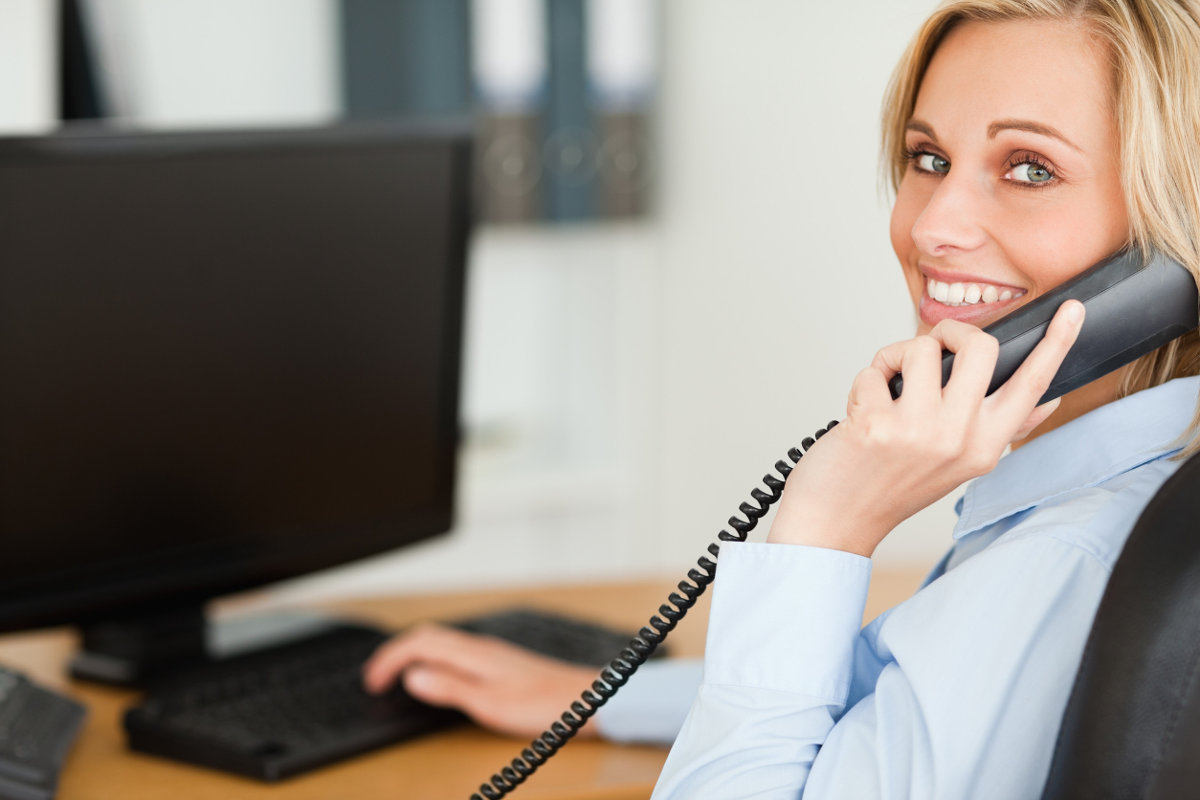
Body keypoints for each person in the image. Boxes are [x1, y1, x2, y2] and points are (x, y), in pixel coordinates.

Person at [363, 0, 1200, 796]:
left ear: (1173, 245)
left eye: (1029, 168)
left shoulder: (1061, 563)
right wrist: (603, 700)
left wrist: (827, 528)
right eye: (928, 159)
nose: (933, 226)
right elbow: (895, 707)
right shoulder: (1115, 498)